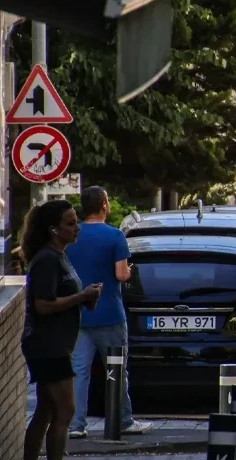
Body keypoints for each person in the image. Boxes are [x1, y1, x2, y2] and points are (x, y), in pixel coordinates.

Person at [65, 187, 151, 438]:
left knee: (79, 371)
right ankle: (123, 420)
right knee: (116, 369)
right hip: (110, 315)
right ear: (104, 205)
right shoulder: (115, 236)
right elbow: (121, 275)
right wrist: (131, 271)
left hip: (79, 313)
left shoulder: (73, 236)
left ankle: (76, 425)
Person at [21, 200, 102, 460]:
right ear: (53, 229)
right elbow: (43, 305)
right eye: (70, 223)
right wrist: (81, 297)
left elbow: (62, 296)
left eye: (76, 222)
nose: (77, 228)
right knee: (65, 411)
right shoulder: (46, 259)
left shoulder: (60, 256)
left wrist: (87, 297)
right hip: (47, 344)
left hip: (57, 343)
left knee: (46, 409)